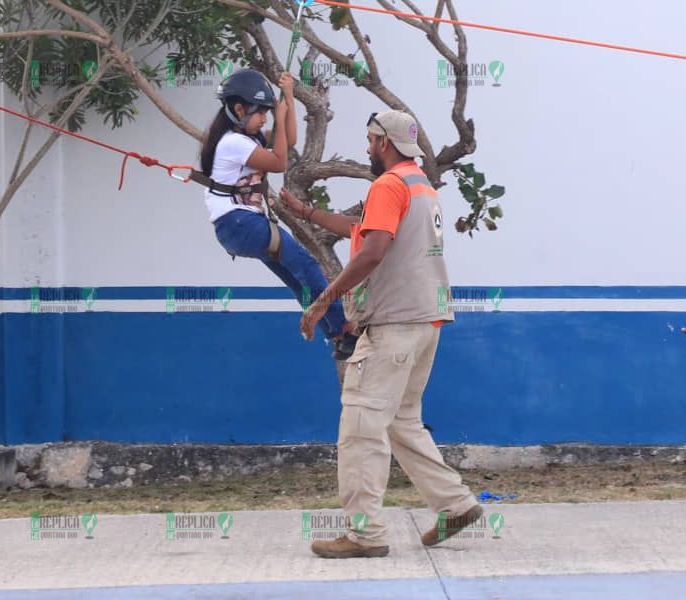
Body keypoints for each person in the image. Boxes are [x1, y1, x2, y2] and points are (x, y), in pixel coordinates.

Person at [281, 110, 482, 558]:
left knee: (360, 427)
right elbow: (362, 229)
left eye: (370, 140)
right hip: (426, 322)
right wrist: (305, 212)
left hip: (392, 327)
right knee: (401, 422)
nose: (367, 148)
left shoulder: (387, 185)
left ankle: (365, 533)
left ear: (383, 143)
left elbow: (372, 250)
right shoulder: (420, 186)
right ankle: (455, 504)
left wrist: (324, 299)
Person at [199, 68, 357, 359]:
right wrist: (280, 117)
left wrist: (287, 99)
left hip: (241, 227)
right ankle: (344, 327)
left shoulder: (250, 137)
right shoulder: (233, 143)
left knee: (296, 276)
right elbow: (279, 162)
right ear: (238, 109)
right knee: (307, 266)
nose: (264, 120)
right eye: (261, 113)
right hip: (240, 224)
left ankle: (336, 336)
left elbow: (291, 140)